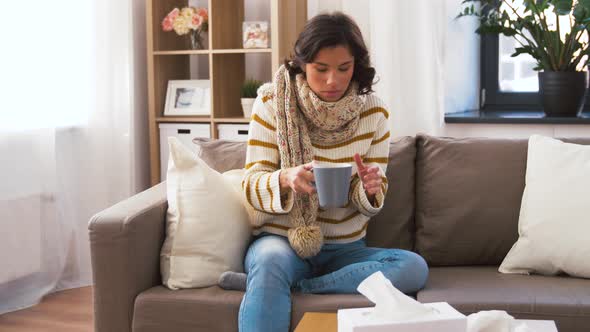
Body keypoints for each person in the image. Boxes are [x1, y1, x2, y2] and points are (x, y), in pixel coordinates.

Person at [219, 12, 429, 332]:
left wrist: (371, 188)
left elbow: (371, 198)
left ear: (356, 65)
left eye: (344, 68)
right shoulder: (271, 104)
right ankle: (274, 277)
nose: (333, 80)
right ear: (303, 64)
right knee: (270, 261)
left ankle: (302, 286)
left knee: (413, 267)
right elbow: (251, 185)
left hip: (345, 249)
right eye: (321, 69)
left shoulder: (374, 113)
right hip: (282, 241)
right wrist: (285, 178)